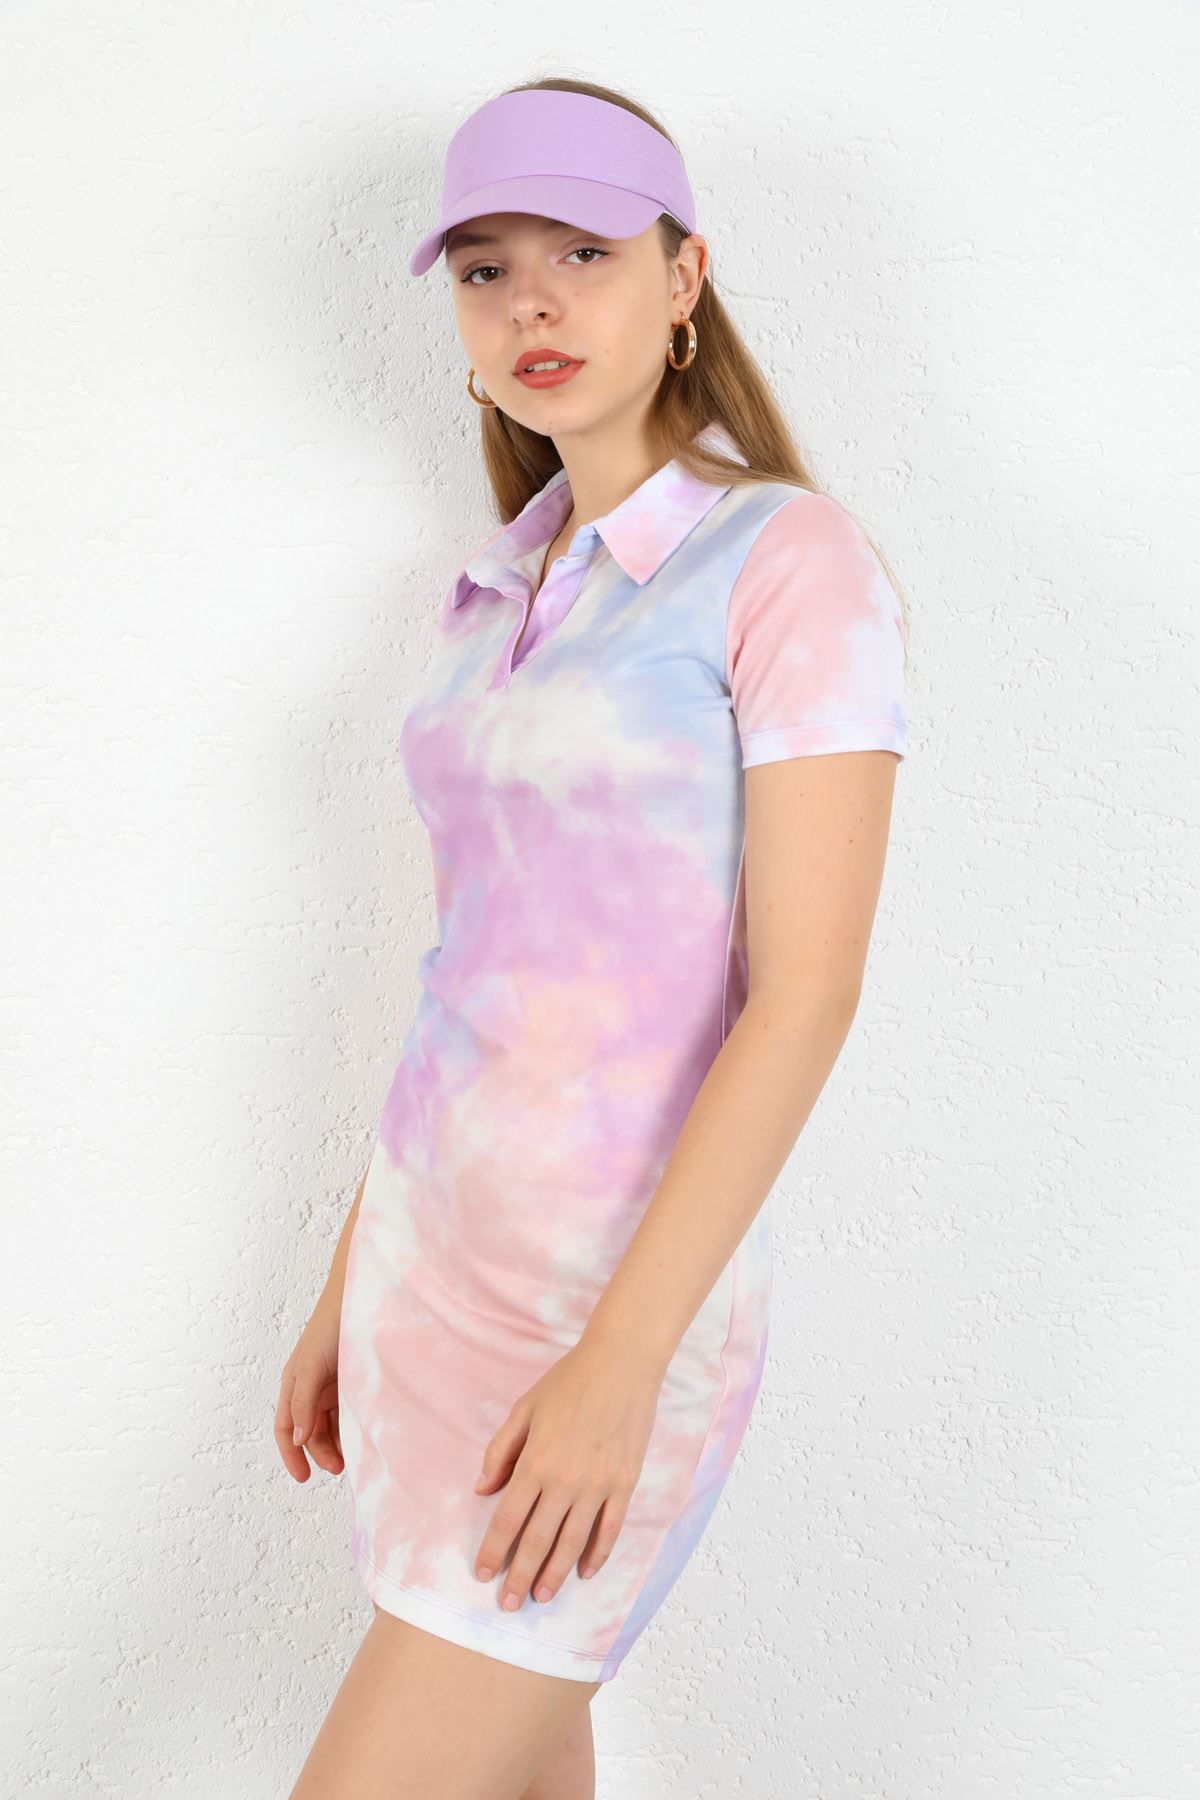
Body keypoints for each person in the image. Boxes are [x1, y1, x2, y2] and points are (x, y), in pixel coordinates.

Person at [280, 76, 911, 1800]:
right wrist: (350, 1278)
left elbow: (806, 994)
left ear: (684, 274)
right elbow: (466, 983)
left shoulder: (786, 561)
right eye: (486, 268)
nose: (532, 304)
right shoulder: (500, 591)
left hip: (606, 1318)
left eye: (583, 251)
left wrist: (621, 1363)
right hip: (429, 1288)